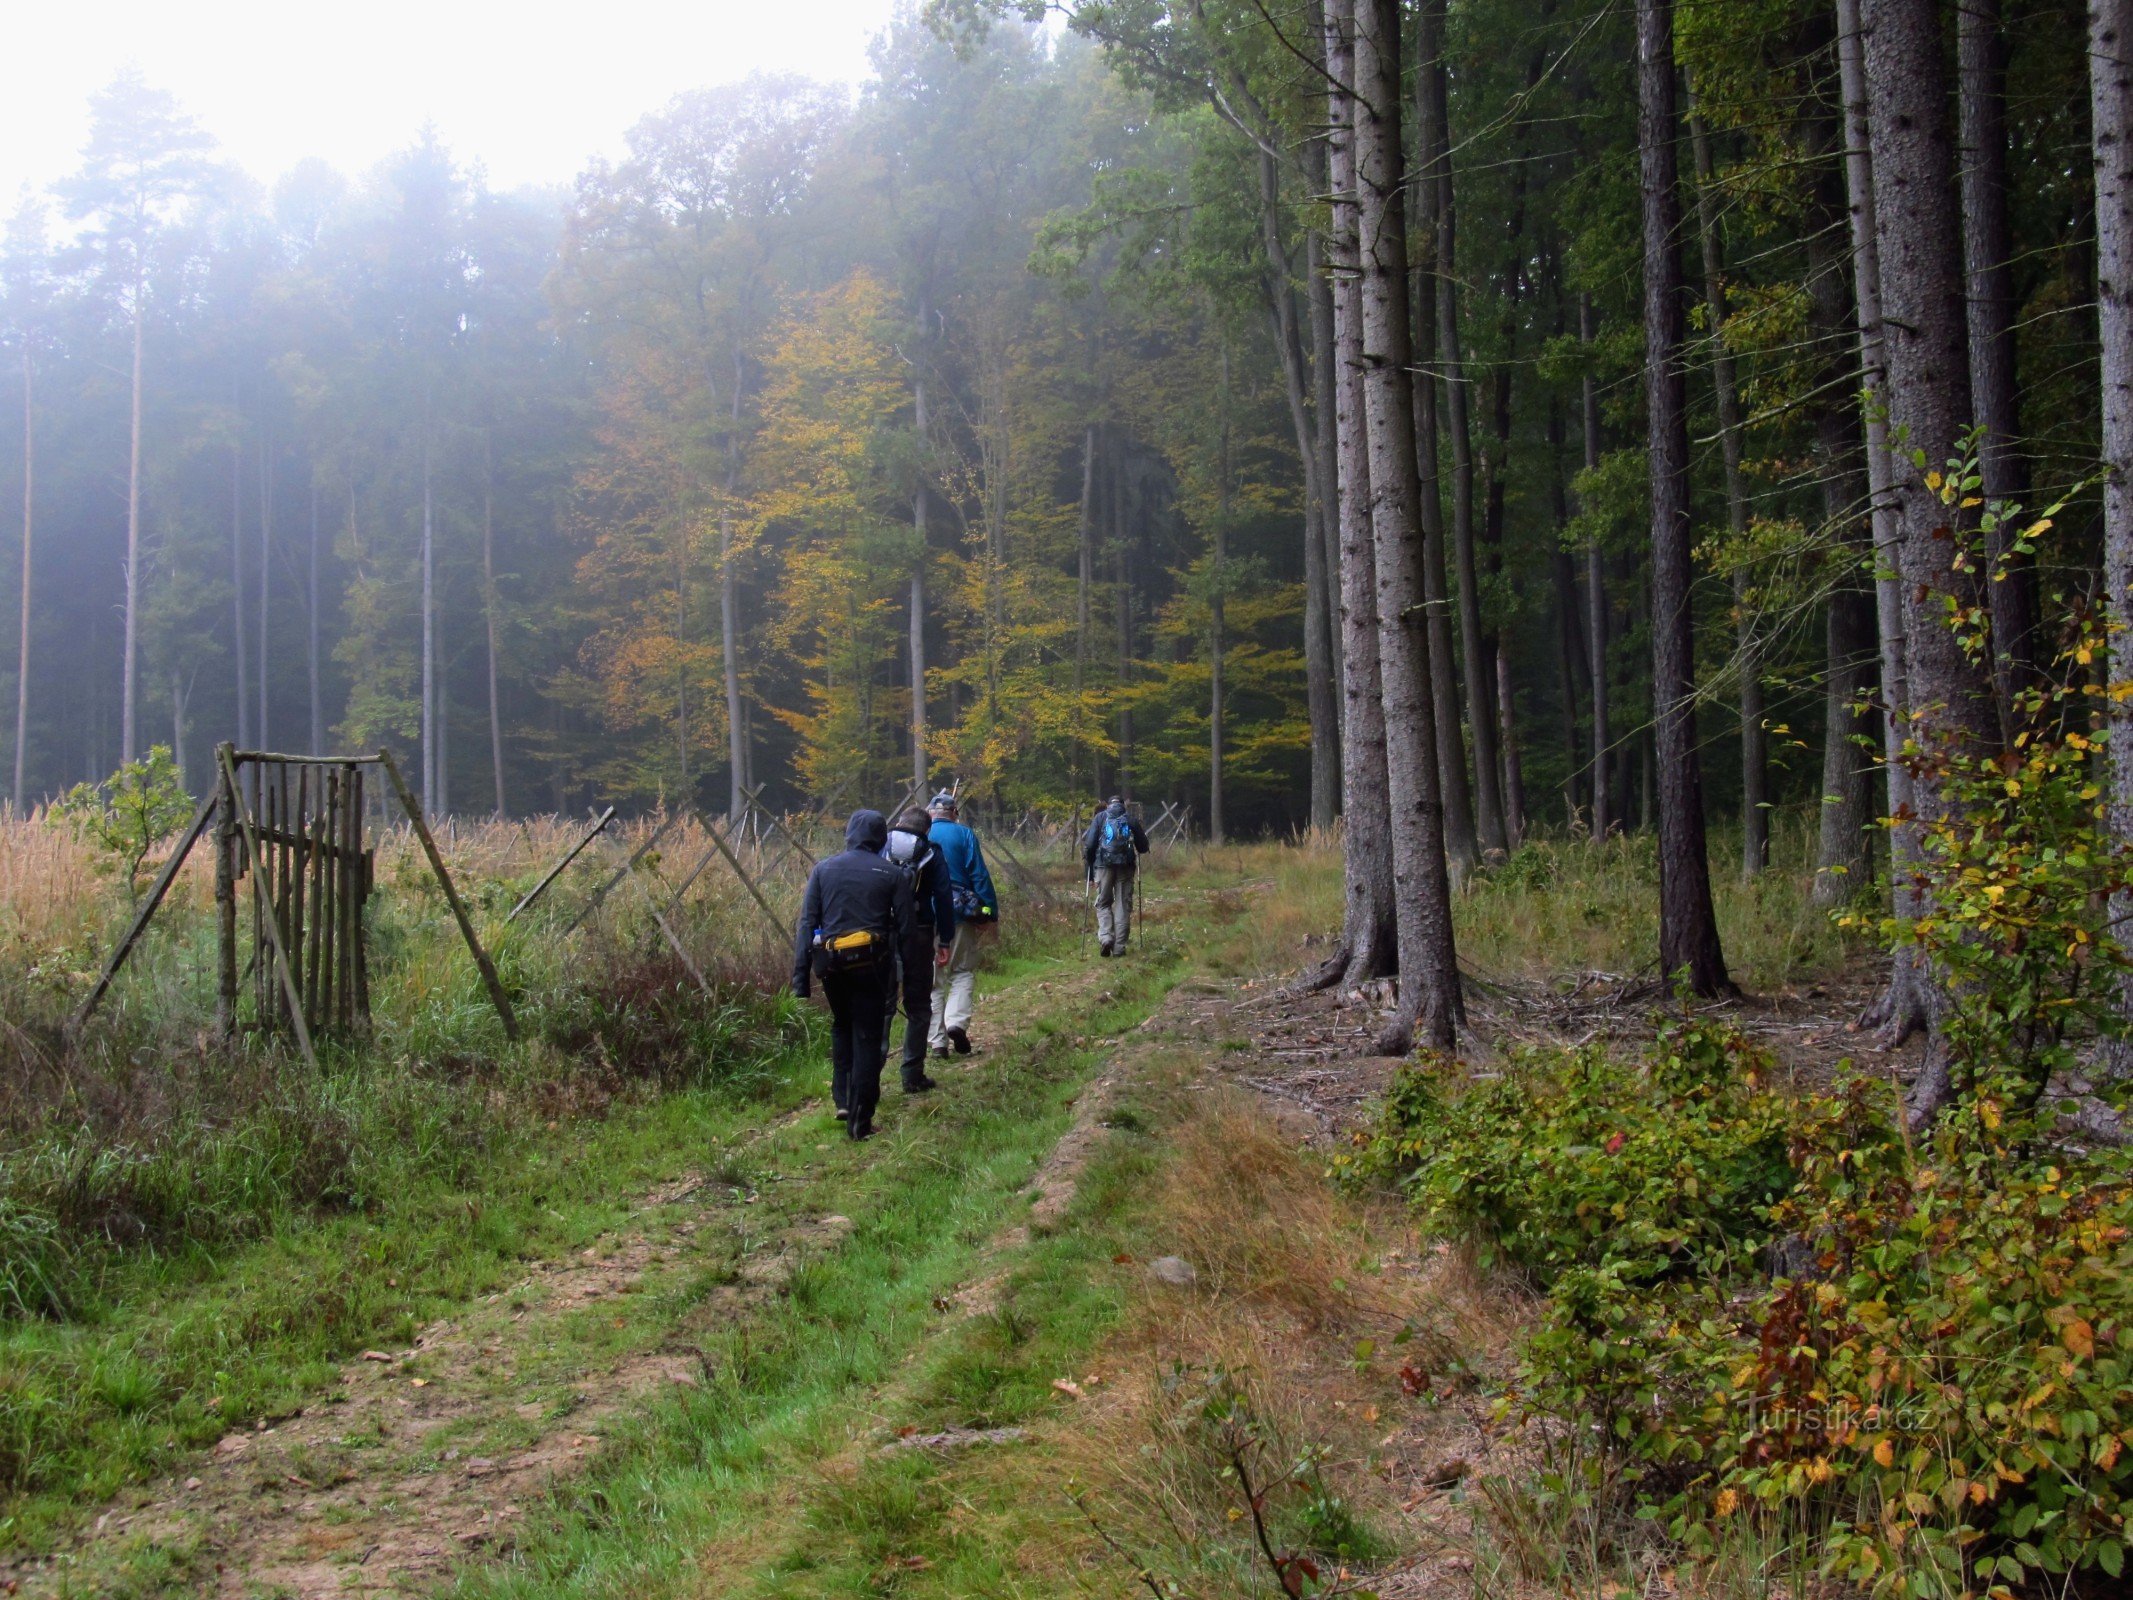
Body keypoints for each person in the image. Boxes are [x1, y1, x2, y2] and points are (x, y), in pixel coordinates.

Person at [791, 809, 912, 1141]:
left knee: (841, 1024)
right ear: (880, 839)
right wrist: (913, 984)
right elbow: (906, 931)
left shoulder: (823, 869)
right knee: (868, 1037)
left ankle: (842, 1099)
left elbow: (806, 924)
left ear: (849, 834)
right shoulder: (892, 874)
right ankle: (860, 1121)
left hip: (831, 966)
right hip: (872, 967)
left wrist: (800, 979)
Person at [880, 806, 954, 1093]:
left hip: (884, 932)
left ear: (899, 822)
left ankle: (871, 1071)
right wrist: (944, 939)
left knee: (884, 1005)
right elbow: (944, 896)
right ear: (926, 829)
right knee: (919, 1005)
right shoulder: (931, 851)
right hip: (920, 934)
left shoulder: (881, 845)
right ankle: (912, 1075)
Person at [923, 790, 998, 1057]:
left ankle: (938, 1042)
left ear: (931, 813)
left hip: (925, 917)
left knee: (933, 982)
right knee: (963, 971)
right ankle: (956, 1023)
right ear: (954, 813)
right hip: (959, 914)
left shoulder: (921, 835)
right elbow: (978, 874)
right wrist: (989, 911)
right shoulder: (964, 834)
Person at [1081, 794, 1149, 956]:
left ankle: (1106, 937)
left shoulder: (1099, 818)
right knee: (1122, 905)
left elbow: (1089, 846)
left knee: (1103, 903)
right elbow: (1144, 847)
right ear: (1123, 805)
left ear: (1108, 805)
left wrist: (1089, 872)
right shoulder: (1130, 819)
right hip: (1126, 867)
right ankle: (1119, 947)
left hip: (1103, 866)